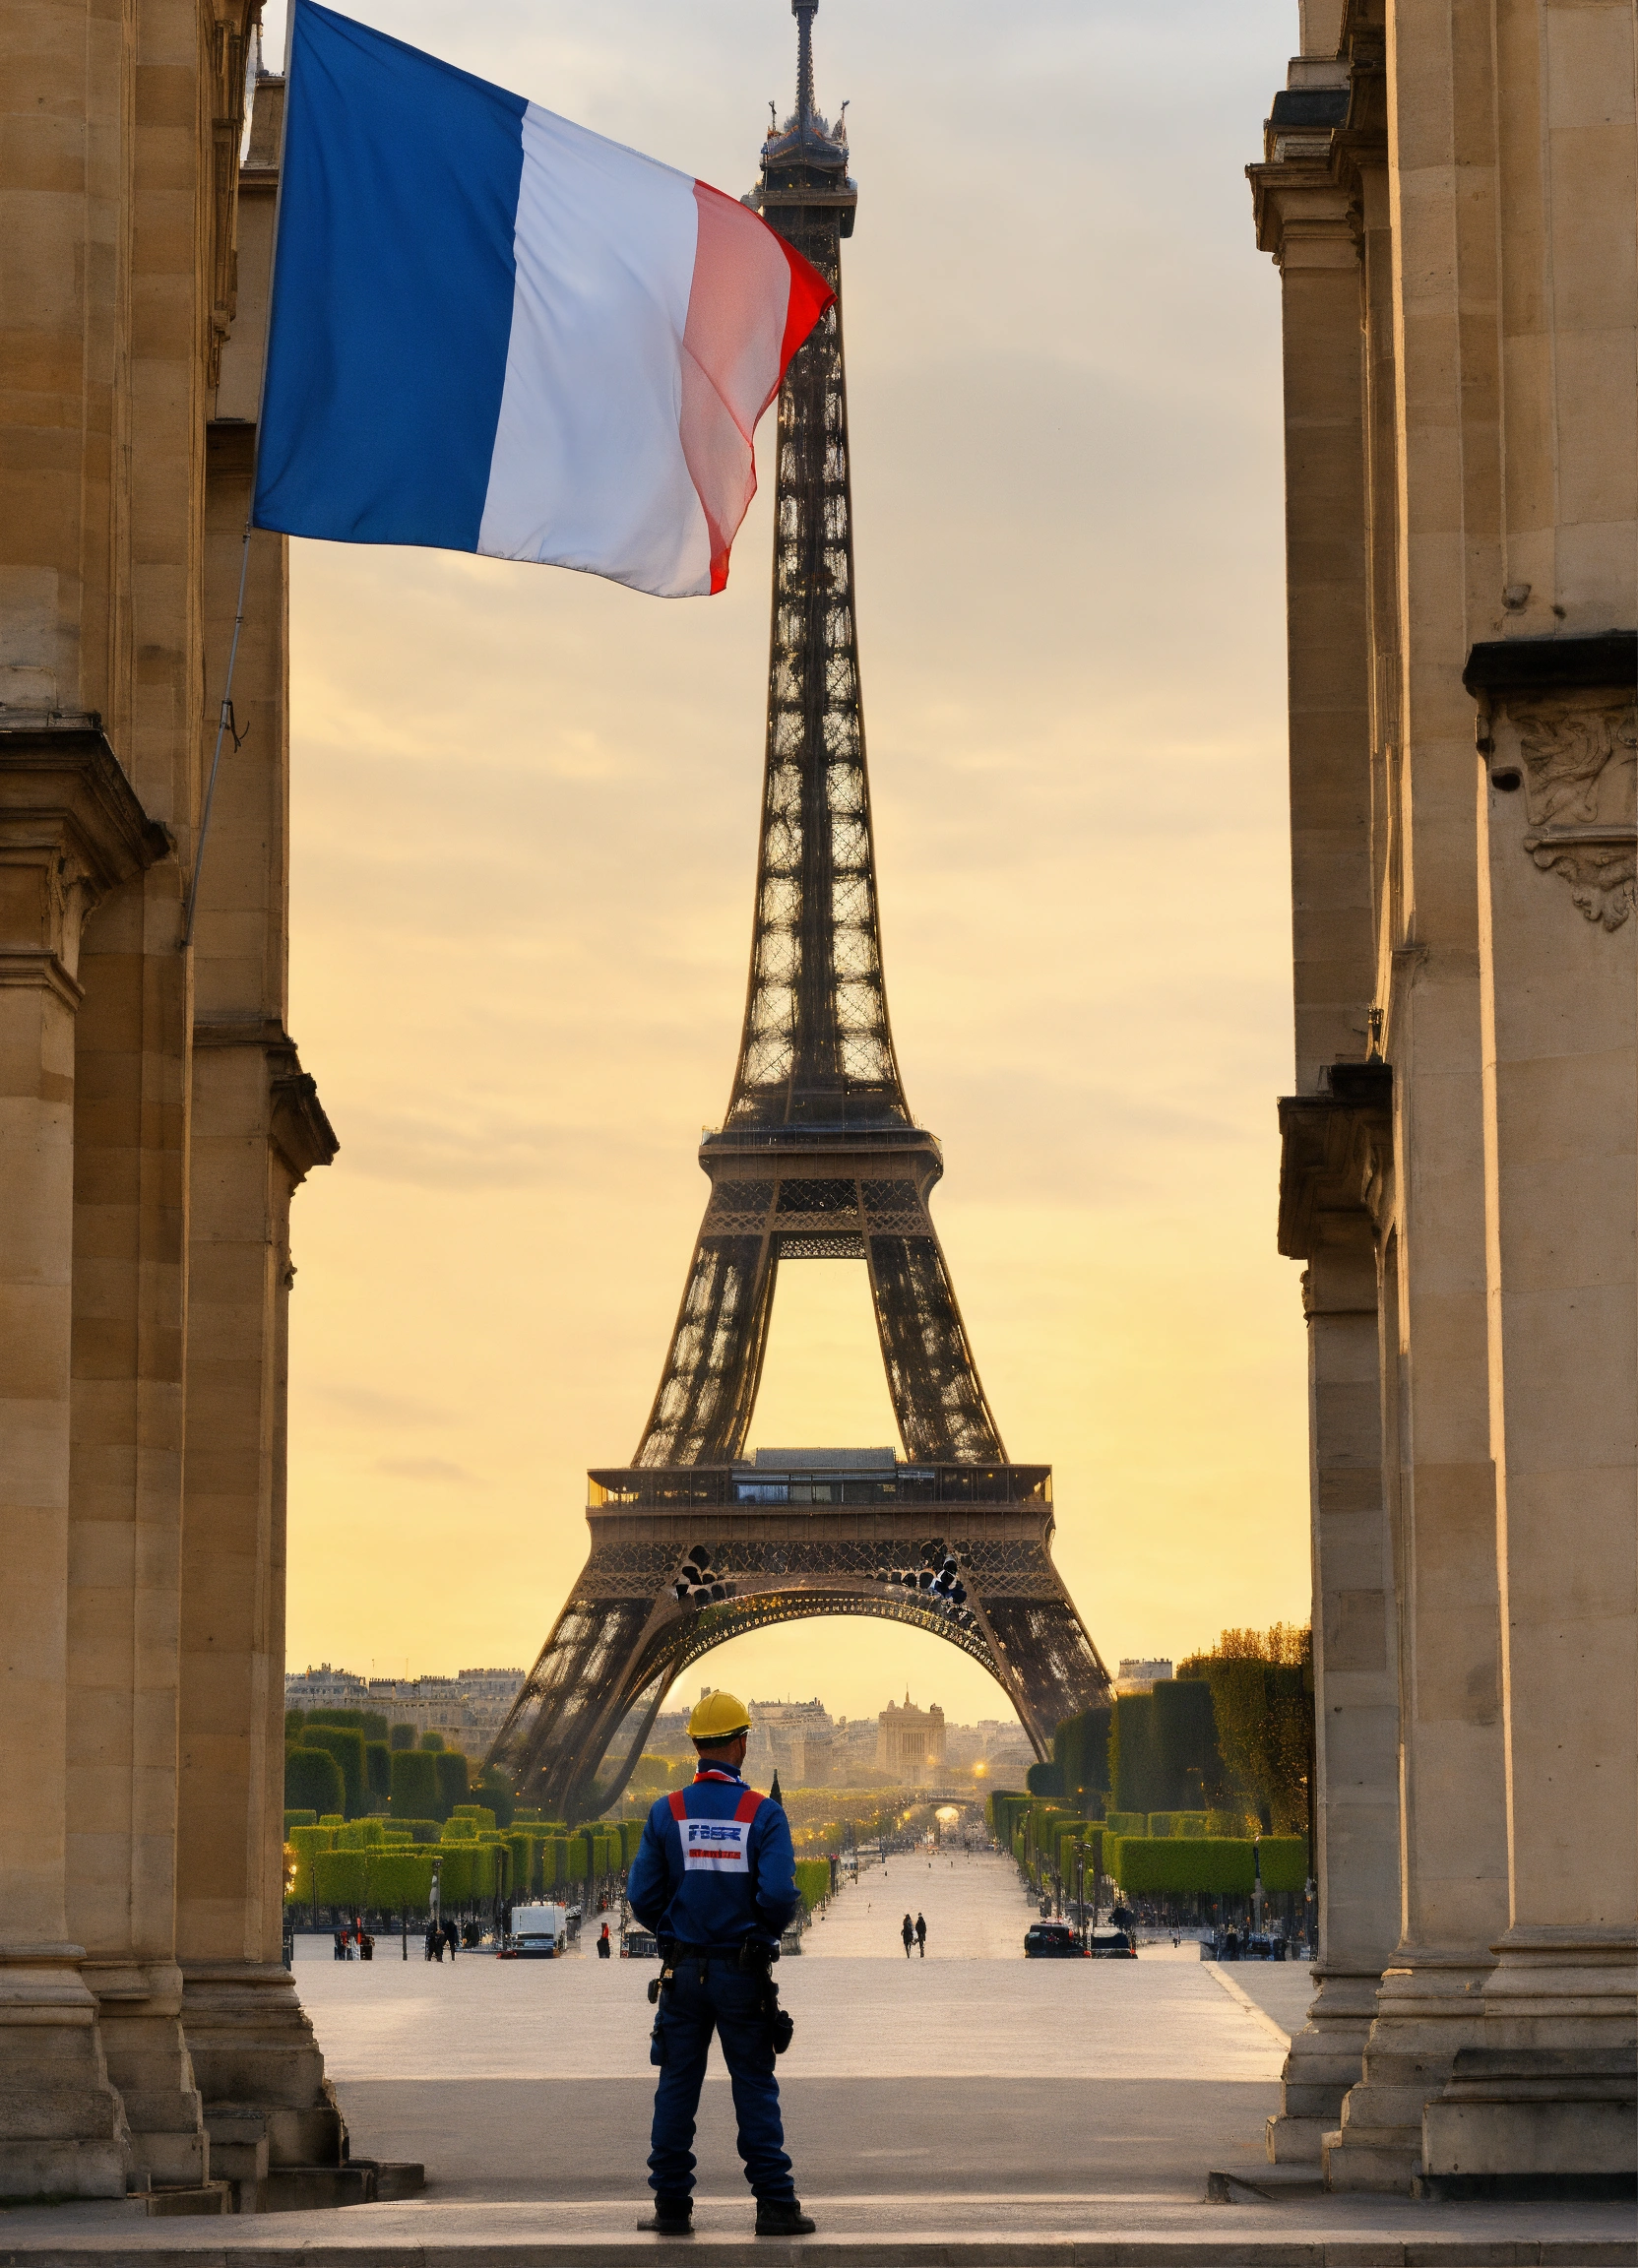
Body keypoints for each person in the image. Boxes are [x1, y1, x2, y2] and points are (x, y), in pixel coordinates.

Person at [626, 1689, 813, 2238]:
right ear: (742, 1743)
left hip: (681, 1972)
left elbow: (642, 1894)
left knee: (677, 2087)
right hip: (742, 1970)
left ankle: (671, 2207)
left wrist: (677, 1928)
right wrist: (758, 1931)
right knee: (754, 2085)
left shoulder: (668, 1810)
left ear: (695, 1747)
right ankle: (774, 2204)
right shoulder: (763, 1812)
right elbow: (779, 1893)